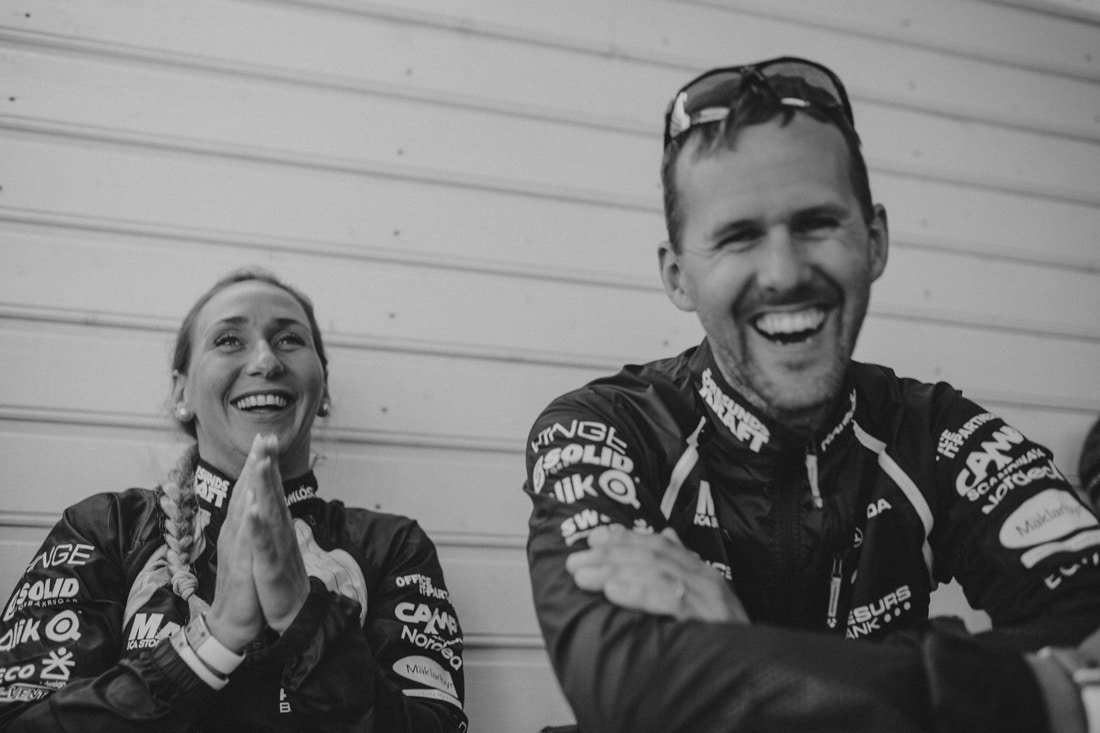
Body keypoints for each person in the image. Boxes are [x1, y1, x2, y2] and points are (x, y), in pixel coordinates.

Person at [523, 57, 1100, 731]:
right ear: (678, 277)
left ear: (874, 241)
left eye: (817, 223)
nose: (784, 272)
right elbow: (629, 683)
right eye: (738, 236)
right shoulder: (604, 428)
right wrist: (1034, 693)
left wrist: (739, 648)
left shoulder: (941, 433)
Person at [0, 270, 467, 731]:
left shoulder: (391, 545)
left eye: (289, 339)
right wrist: (214, 640)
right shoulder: (105, 528)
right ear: (181, 391)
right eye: (228, 341)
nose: (265, 360)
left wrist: (303, 617)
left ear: (323, 388)